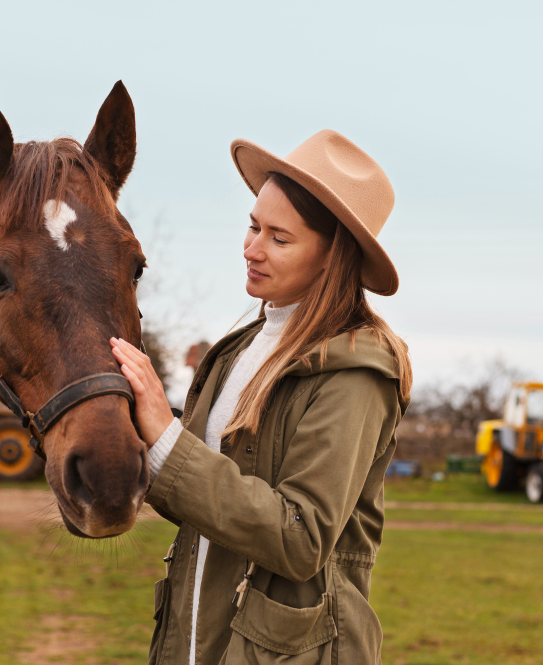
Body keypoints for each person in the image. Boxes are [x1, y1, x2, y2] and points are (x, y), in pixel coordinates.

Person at [110, 129, 412, 665]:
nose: (252, 249)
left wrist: (167, 438)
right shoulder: (236, 352)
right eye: (253, 226)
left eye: (280, 238)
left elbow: (301, 538)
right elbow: (197, 495)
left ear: (332, 256)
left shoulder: (357, 372)